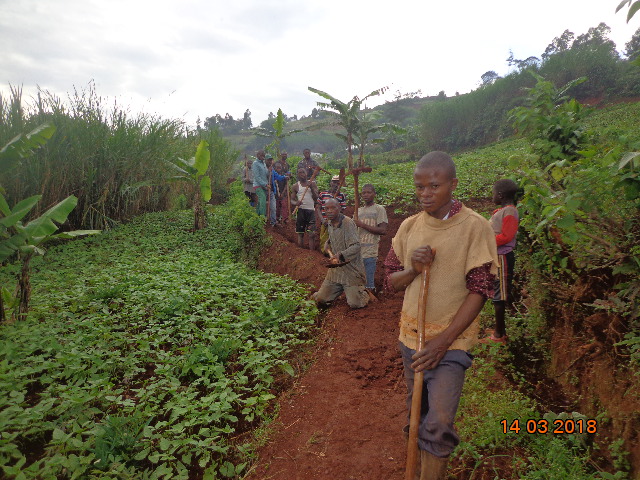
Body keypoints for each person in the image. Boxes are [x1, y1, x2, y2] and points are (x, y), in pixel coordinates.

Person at [385, 151, 498, 480]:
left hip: (450, 345)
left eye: (434, 186)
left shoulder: (475, 227)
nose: (425, 194)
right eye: (419, 187)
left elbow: (480, 290)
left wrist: (443, 342)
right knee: (416, 412)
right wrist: (413, 269)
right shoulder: (410, 227)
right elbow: (391, 281)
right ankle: (417, 467)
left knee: (440, 421)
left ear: (453, 184)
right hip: (411, 340)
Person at [312, 198, 369, 309]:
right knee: (321, 299)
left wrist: (340, 255)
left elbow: (356, 246)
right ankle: (320, 295)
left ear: (339, 208)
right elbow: (334, 237)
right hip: (336, 271)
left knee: (355, 303)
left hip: (351, 271)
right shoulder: (329, 223)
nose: (329, 211)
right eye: (326, 208)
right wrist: (327, 244)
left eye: (333, 208)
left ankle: (364, 294)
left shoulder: (347, 223)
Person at [486, 178, 519, 343]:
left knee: (499, 296)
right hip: (497, 256)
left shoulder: (510, 212)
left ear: (500, 195)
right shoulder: (504, 211)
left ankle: (499, 335)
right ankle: (499, 330)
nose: (492, 197)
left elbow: (507, 236)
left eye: (493, 194)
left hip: (503, 257)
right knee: (497, 293)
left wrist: (486, 241)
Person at [354, 184, 388, 293]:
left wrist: (362, 225)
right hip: (357, 252)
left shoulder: (379, 209)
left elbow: (383, 230)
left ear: (374, 194)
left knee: (369, 284)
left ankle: (372, 300)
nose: (366, 195)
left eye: (369, 192)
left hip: (370, 251)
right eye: (364, 193)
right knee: (358, 284)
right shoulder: (358, 211)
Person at [316, 175, 347, 253]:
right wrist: (323, 220)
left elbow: (342, 210)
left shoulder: (341, 195)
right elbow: (318, 208)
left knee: (335, 240)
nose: (336, 185)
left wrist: (336, 220)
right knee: (324, 240)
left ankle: (334, 255)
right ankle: (325, 255)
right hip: (325, 222)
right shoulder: (323, 194)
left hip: (336, 224)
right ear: (331, 183)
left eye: (338, 183)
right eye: (334, 182)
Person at [291, 167, 318, 250]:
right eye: (299, 173)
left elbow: (316, 198)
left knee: (312, 234)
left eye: (303, 172)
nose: (302, 174)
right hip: (301, 211)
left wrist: (311, 188)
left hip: (311, 211)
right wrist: (296, 203)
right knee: (300, 233)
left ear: (306, 173)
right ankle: (301, 252)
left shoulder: (312, 184)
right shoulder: (295, 186)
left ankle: (312, 253)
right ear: (297, 175)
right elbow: (291, 200)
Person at [265, 154, 288, 226]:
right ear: (265, 160)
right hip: (264, 189)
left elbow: (278, 177)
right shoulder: (263, 168)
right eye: (268, 160)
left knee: (273, 207)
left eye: (271, 160)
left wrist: (285, 177)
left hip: (272, 191)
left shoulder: (272, 170)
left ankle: (273, 222)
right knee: (264, 206)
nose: (270, 161)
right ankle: (264, 222)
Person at [252, 150, 269, 216]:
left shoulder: (263, 164)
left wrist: (269, 171)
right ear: (257, 155)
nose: (262, 157)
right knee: (263, 199)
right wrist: (265, 184)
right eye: (261, 155)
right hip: (258, 185)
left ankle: (257, 216)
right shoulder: (255, 163)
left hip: (264, 186)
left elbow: (266, 174)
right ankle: (262, 217)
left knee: (260, 202)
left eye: (263, 155)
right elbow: (257, 177)